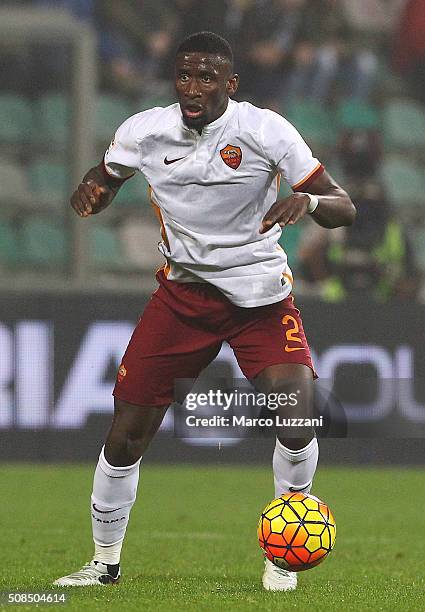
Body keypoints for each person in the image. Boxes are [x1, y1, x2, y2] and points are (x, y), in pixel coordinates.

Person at [53, 31, 355, 592]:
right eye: (186, 76)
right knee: (125, 436)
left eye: (208, 77)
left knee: (298, 414)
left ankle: (284, 549)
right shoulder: (145, 130)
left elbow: (345, 206)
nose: (194, 87)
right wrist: (91, 189)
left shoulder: (265, 130)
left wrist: (308, 200)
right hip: (182, 297)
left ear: (230, 84)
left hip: (259, 298)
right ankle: (103, 564)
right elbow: (107, 174)